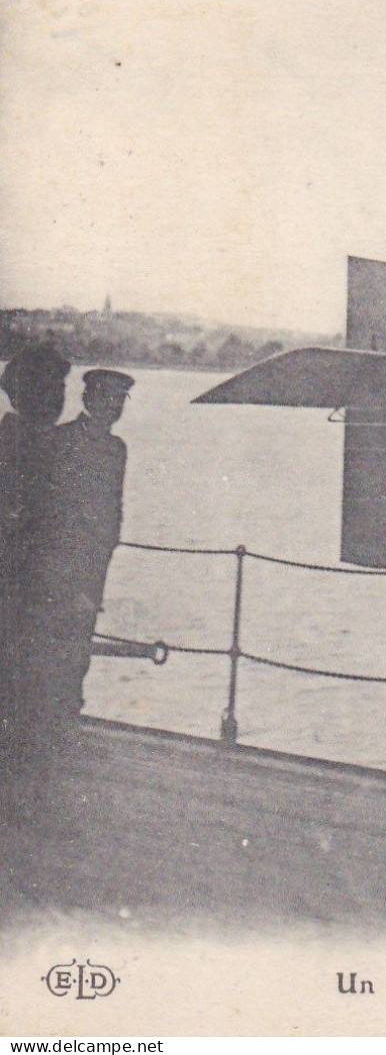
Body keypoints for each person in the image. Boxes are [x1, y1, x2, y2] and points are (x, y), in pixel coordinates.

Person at [8, 368, 132, 823]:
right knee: (46, 660)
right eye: (107, 397)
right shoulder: (59, 442)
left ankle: (60, 736)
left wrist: (94, 577)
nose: (114, 407)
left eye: (120, 400)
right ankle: (40, 753)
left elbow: (111, 518)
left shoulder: (117, 450)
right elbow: (52, 515)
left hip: (88, 575)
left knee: (76, 658)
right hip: (54, 575)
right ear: (89, 397)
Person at [0, 345, 71, 819]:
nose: (59, 396)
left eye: (60, 388)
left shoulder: (48, 445)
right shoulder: (19, 446)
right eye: (51, 387)